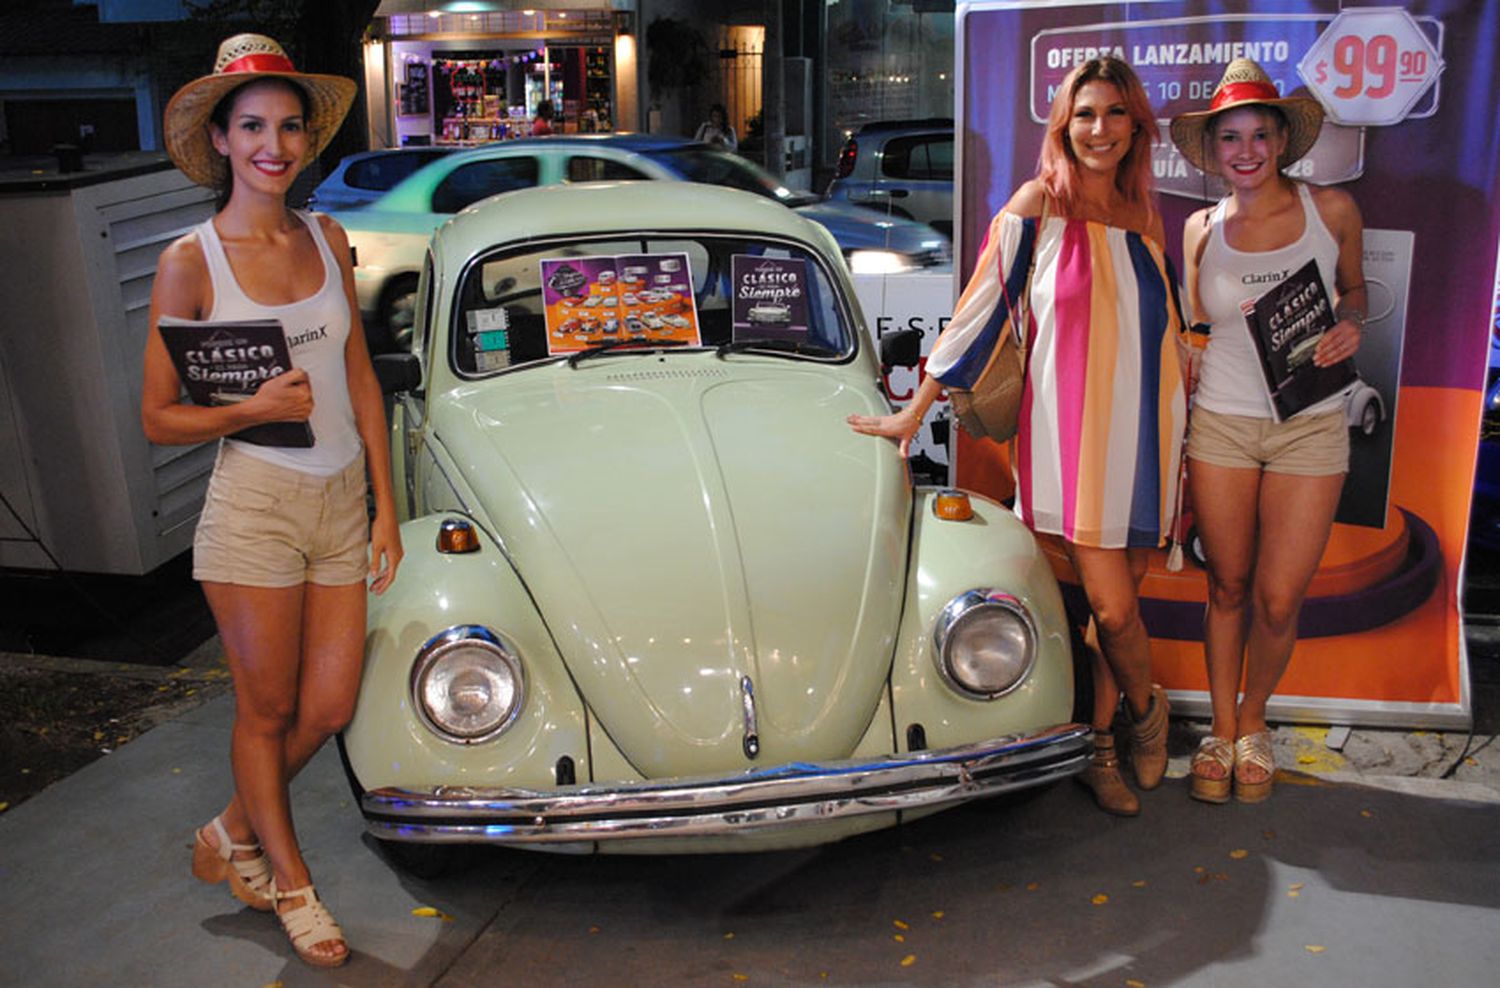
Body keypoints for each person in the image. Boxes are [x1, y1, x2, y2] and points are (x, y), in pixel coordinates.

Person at [848, 57, 1191, 816]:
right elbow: (974, 320)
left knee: (1117, 607)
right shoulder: (1036, 208)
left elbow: (1163, 334)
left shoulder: (1145, 216)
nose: (1099, 130)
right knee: (1113, 611)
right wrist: (912, 415)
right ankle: (1148, 713)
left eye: (1114, 114)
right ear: (1064, 127)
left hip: (1149, 435)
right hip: (1072, 441)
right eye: (1085, 115)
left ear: (1137, 127)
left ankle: (1100, 744)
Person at [140, 34, 402, 967]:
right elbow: (159, 418)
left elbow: (362, 379)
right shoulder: (191, 261)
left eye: (289, 127)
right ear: (220, 138)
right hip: (253, 507)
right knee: (266, 709)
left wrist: (386, 503)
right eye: (253, 125)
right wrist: (249, 408)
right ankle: (293, 886)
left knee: (327, 706)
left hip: (339, 501)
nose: (274, 145)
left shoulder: (326, 236)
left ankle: (227, 830)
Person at [1170, 59, 1365, 805]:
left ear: (1282, 139)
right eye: (1229, 138)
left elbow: (1354, 290)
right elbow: (1193, 326)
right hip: (1220, 425)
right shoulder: (1198, 229)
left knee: (1280, 600)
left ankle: (1254, 722)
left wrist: (1350, 323)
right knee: (1227, 585)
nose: (1245, 150)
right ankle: (1219, 732)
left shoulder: (1332, 211)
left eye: (1258, 134)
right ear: (1214, 150)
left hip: (1309, 428)